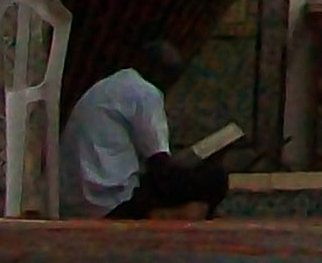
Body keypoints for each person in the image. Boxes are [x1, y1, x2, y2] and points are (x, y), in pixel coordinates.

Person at [64, 38, 229, 221]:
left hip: (78, 202)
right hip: (114, 203)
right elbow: (160, 166)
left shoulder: (110, 86)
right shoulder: (146, 92)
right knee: (215, 178)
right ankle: (178, 215)